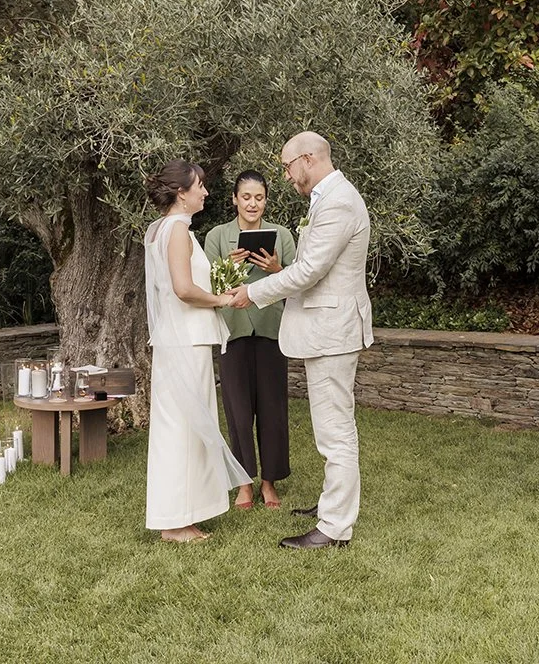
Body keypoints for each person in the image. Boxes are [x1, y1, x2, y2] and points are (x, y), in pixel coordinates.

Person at [231, 132, 371, 551]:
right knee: (330, 426)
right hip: (324, 331)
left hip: (333, 332)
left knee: (336, 431)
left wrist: (253, 292)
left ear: (307, 159)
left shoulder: (340, 201)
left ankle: (334, 528)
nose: (288, 178)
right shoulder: (327, 199)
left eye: (288, 168)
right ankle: (333, 504)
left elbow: (309, 271)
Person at [143, 159, 252, 543]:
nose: (206, 192)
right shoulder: (176, 230)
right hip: (185, 342)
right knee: (182, 430)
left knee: (185, 429)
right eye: (200, 186)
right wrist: (221, 301)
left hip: (181, 340)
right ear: (181, 192)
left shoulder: (164, 229)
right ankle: (173, 522)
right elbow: (183, 290)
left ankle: (182, 515)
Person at [202, 170, 297, 511]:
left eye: (259, 198)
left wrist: (275, 269)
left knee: (272, 409)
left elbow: (298, 282)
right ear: (234, 199)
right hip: (234, 332)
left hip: (273, 331)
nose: (252, 203)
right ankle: (244, 482)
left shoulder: (283, 236)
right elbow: (209, 287)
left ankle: (269, 483)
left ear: (266, 200)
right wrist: (228, 266)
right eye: (246, 197)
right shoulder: (217, 236)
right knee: (238, 411)